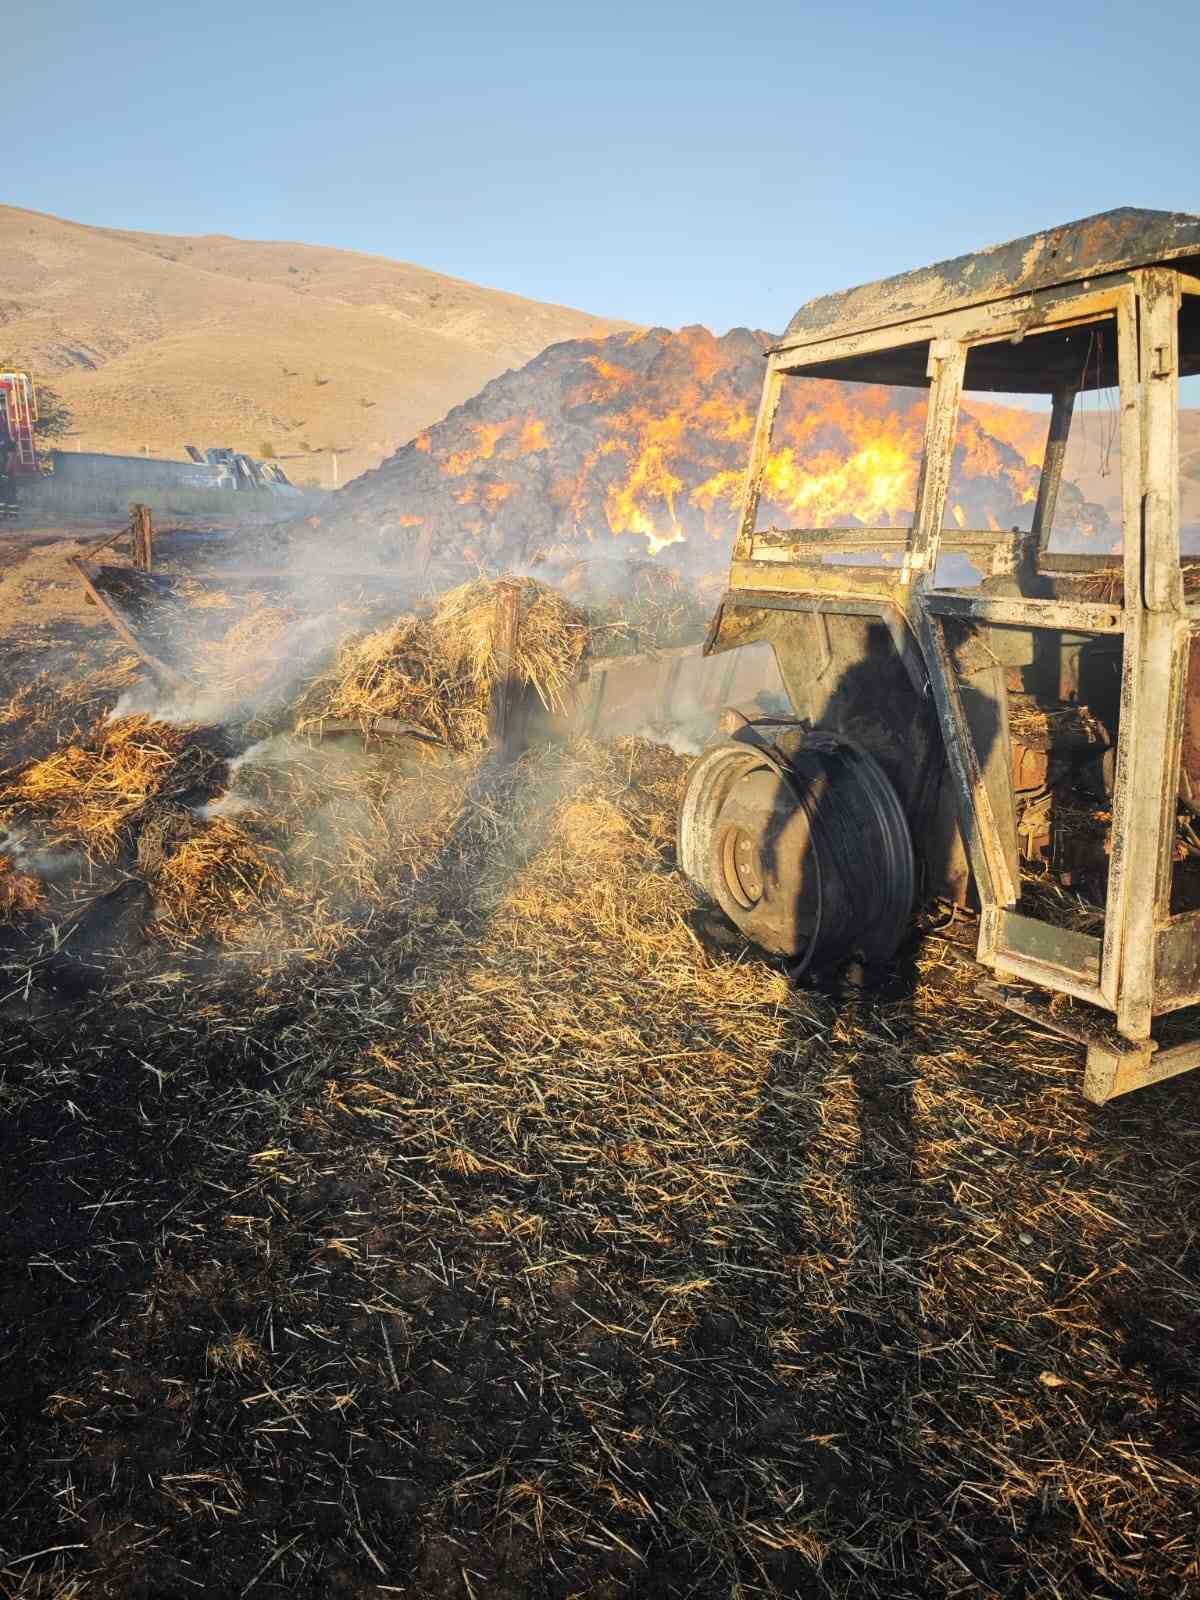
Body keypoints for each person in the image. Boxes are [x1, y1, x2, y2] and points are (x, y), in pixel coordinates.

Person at [0, 403, 17, 520]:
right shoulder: (6, 437)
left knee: (7, 491)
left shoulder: (6, 438)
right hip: (5, 470)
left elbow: (11, 455)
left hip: (6, 471)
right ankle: (6, 514)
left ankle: (11, 515)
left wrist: (6, 471)